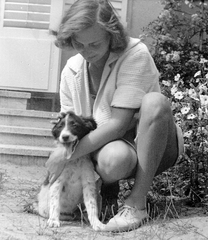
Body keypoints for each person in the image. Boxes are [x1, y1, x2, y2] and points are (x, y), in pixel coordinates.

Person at [46, 0, 184, 232]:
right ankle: (103, 195)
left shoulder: (135, 53)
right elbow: (69, 125)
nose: (86, 51)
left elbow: (119, 124)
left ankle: (136, 203)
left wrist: (65, 156)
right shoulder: (71, 68)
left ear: (112, 34)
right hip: (112, 151)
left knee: (155, 102)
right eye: (78, 43)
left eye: (94, 44)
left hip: (151, 144)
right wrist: (62, 149)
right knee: (113, 160)